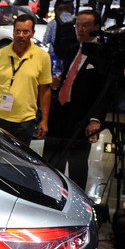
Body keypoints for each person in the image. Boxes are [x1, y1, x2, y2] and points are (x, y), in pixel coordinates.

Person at [44, 10, 107, 190]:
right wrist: (59, 82)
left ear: (96, 28)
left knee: (77, 166)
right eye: (77, 25)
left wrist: (95, 120)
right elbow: (70, 77)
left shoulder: (103, 54)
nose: (79, 29)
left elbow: (105, 92)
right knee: (52, 161)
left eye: (85, 26)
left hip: (81, 118)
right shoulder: (72, 49)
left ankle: (77, 205)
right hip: (60, 114)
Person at [0, 12, 52, 144]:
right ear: (13, 32)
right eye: (17, 31)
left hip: (24, 122)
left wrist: (44, 120)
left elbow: (45, 90)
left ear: (32, 33)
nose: (21, 36)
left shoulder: (42, 57)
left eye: (25, 32)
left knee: (17, 162)